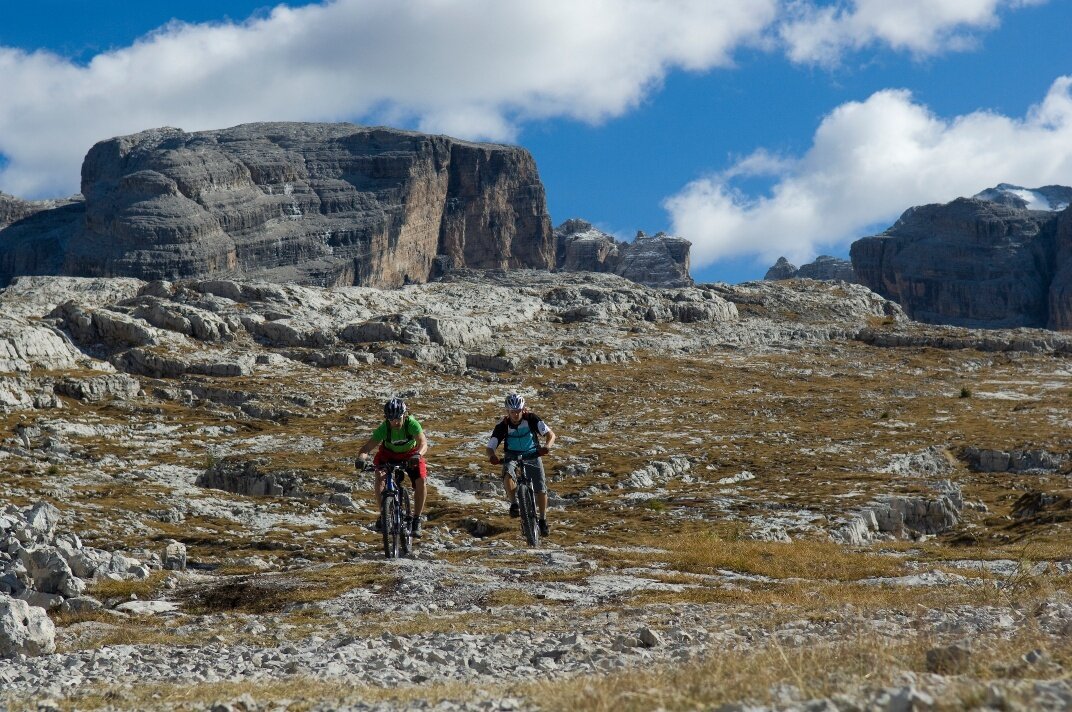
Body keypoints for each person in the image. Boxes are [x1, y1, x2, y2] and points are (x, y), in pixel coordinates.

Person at [485, 393, 556, 536]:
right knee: (507, 474)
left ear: (523, 409)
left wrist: (547, 447)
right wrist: (492, 456)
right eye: (513, 411)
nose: (516, 414)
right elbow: (490, 447)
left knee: (541, 488)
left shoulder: (531, 419)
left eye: (518, 411)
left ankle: (542, 519)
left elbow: (551, 435)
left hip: (533, 453)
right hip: (511, 455)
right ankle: (514, 504)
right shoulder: (502, 425)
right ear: (508, 411)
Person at [356, 398, 429, 537]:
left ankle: (416, 519)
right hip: (388, 455)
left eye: (397, 418)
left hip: (411, 455)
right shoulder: (384, 428)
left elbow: (423, 443)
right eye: (390, 419)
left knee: (421, 480)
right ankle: (384, 514)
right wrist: (361, 459)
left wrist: (418, 454)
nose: (394, 422)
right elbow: (366, 448)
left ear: (404, 415)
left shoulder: (411, 424)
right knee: (380, 477)